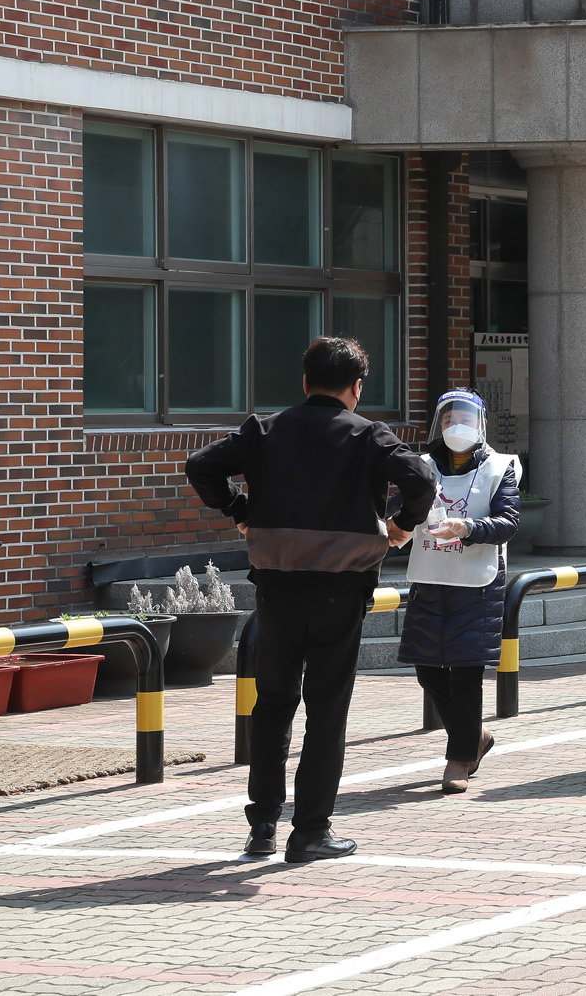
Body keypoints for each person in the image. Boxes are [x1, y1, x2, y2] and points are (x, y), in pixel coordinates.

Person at [185, 336, 436, 862]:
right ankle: (310, 832)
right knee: (327, 710)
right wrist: (400, 525)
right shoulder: (369, 434)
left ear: (304, 382)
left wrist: (239, 507)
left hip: (277, 587)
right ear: (356, 388)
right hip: (340, 592)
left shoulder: (265, 429)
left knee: (273, 704)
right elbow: (419, 479)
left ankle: (261, 827)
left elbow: (200, 466)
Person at [396, 390, 519, 794]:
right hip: (430, 577)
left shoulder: (501, 468)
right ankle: (475, 738)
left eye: (465, 420)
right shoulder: (424, 466)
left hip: (477, 583)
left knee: (466, 671)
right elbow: (402, 509)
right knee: (427, 668)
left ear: (481, 425)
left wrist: (467, 528)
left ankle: (458, 759)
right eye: (449, 421)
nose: (456, 428)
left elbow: (507, 522)